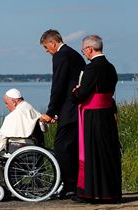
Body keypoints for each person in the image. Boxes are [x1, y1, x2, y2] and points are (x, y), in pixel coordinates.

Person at [72, 35, 122, 203]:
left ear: (89, 49)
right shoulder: (111, 67)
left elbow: (82, 93)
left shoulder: (91, 69)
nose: (84, 53)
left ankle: (93, 193)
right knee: (107, 152)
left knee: (93, 153)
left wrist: (75, 92)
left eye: (83, 50)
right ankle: (111, 193)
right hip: (107, 113)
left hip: (93, 116)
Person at [39, 29, 86, 198]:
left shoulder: (60, 55)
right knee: (72, 147)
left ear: (53, 42)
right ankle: (75, 185)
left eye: (46, 47)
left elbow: (58, 85)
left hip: (69, 108)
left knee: (61, 147)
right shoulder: (73, 54)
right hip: (76, 107)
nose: (46, 51)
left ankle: (70, 185)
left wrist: (51, 111)